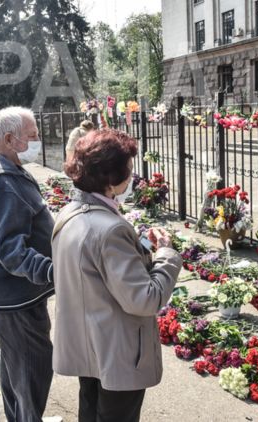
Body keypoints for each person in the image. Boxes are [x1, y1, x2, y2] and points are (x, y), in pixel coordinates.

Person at [52, 129, 182, 421]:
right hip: (117, 351)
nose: (132, 176)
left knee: (90, 410)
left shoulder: (71, 212)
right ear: (111, 178)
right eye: (129, 169)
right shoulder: (110, 228)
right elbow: (144, 299)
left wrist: (144, 244)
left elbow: (100, 270)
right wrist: (167, 255)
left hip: (88, 346)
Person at [0, 106, 54, 420]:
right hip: (15, 295)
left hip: (16, 293)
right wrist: (53, 271)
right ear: (9, 138)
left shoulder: (4, 166)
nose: (37, 141)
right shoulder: (0, 181)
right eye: (32, 137)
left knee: (17, 366)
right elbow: (10, 251)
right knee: (32, 367)